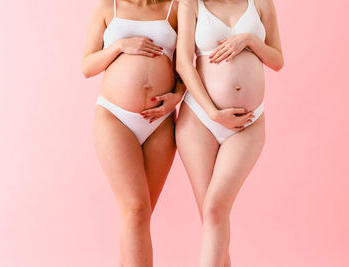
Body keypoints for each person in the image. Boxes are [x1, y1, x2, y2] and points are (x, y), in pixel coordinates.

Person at [175, 0, 284, 266]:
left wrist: (249, 40)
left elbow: (278, 60)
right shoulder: (190, 4)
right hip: (200, 120)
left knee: (215, 209)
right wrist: (212, 112)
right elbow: (183, 64)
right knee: (212, 216)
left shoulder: (260, 3)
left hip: (248, 123)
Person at [81, 0, 184, 266]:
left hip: (160, 123)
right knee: (136, 210)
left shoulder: (176, 7)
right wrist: (119, 46)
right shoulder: (107, 8)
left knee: (139, 216)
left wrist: (178, 94)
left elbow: (189, 62)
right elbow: (87, 66)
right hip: (115, 117)